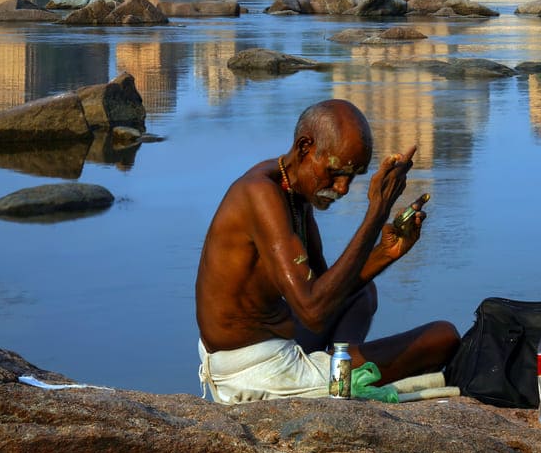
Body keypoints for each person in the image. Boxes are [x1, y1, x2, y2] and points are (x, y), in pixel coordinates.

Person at [195, 99, 459, 402]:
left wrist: (386, 252)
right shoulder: (260, 194)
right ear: (305, 147)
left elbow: (326, 287)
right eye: (335, 173)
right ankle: (337, 379)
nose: (343, 188)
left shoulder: (291, 188)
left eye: (353, 176)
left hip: (276, 343)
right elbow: (314, 313)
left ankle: (337, 369)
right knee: (443, 337)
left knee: (362, 293)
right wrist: (376, 213)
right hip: (257, 371)